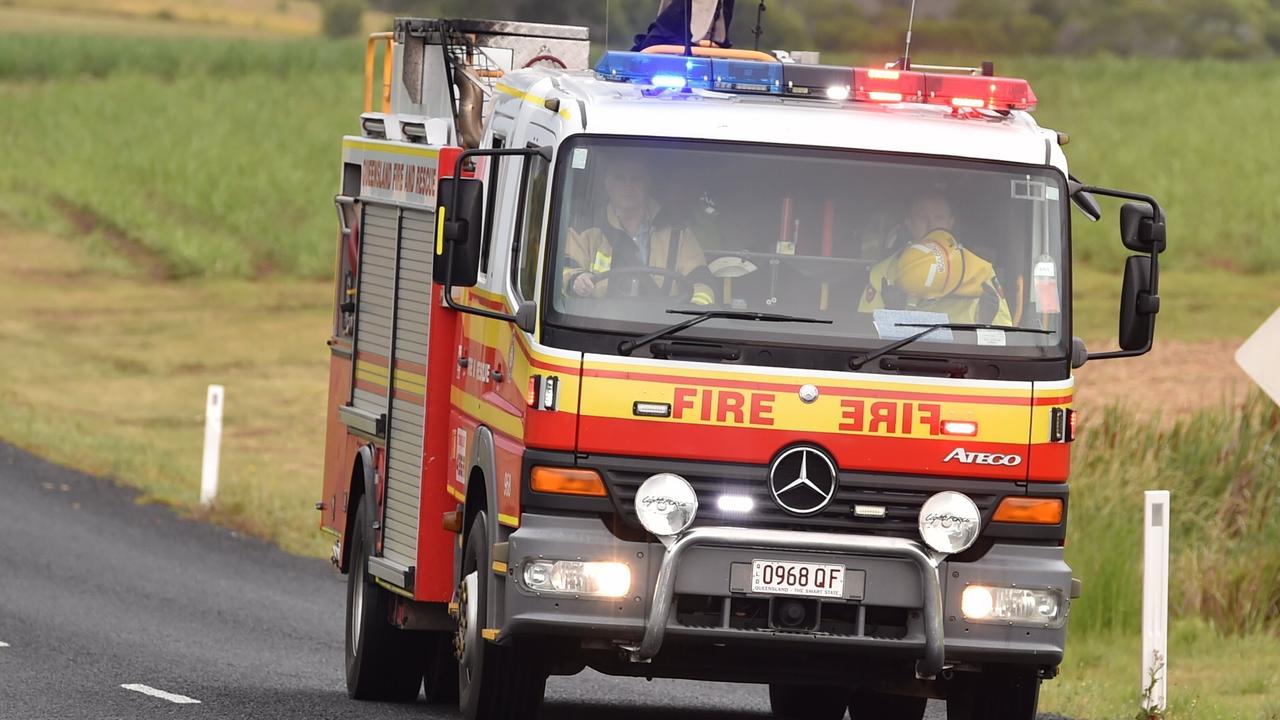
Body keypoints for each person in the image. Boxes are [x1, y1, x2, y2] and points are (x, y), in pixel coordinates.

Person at [562, 154, 715, 307]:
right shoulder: (584, 229)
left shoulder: (678, 232)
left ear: (647, 184)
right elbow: (560, 271)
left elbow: (701, 282)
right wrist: (576, 279)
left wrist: (691, 318)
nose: (628, 186)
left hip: (665, 327)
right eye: (620, 178)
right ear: (607, 185)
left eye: (636, 178)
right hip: (595, 325)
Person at [858, 193, 1012, 325]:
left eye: (939, 218)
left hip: (964, 357)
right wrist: (891, 313)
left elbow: (1004, 336)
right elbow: (866, 333)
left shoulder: (980, 271)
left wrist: (986, 324)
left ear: (950, 223)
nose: (931, 225)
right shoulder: (883, 273)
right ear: (909, 224)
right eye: (922, 218)